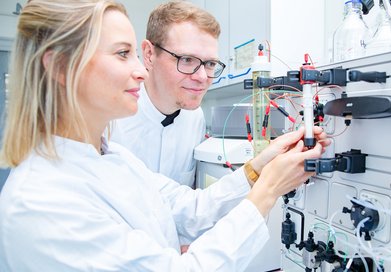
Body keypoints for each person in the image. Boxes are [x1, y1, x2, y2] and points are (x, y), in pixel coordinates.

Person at [0, 0, 330, 271]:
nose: (140, 71)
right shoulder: (40, 202)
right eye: (121, 54)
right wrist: (269, 190)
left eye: (210, 64)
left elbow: (187, 208)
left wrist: (260, 167)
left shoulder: (113, 157)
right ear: (59, 66)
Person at [111, 1, 222, 187]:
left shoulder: (196, 117)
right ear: (149, 54)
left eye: (210, 64)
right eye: (187, 60)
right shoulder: (113, 120)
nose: (202, 77)